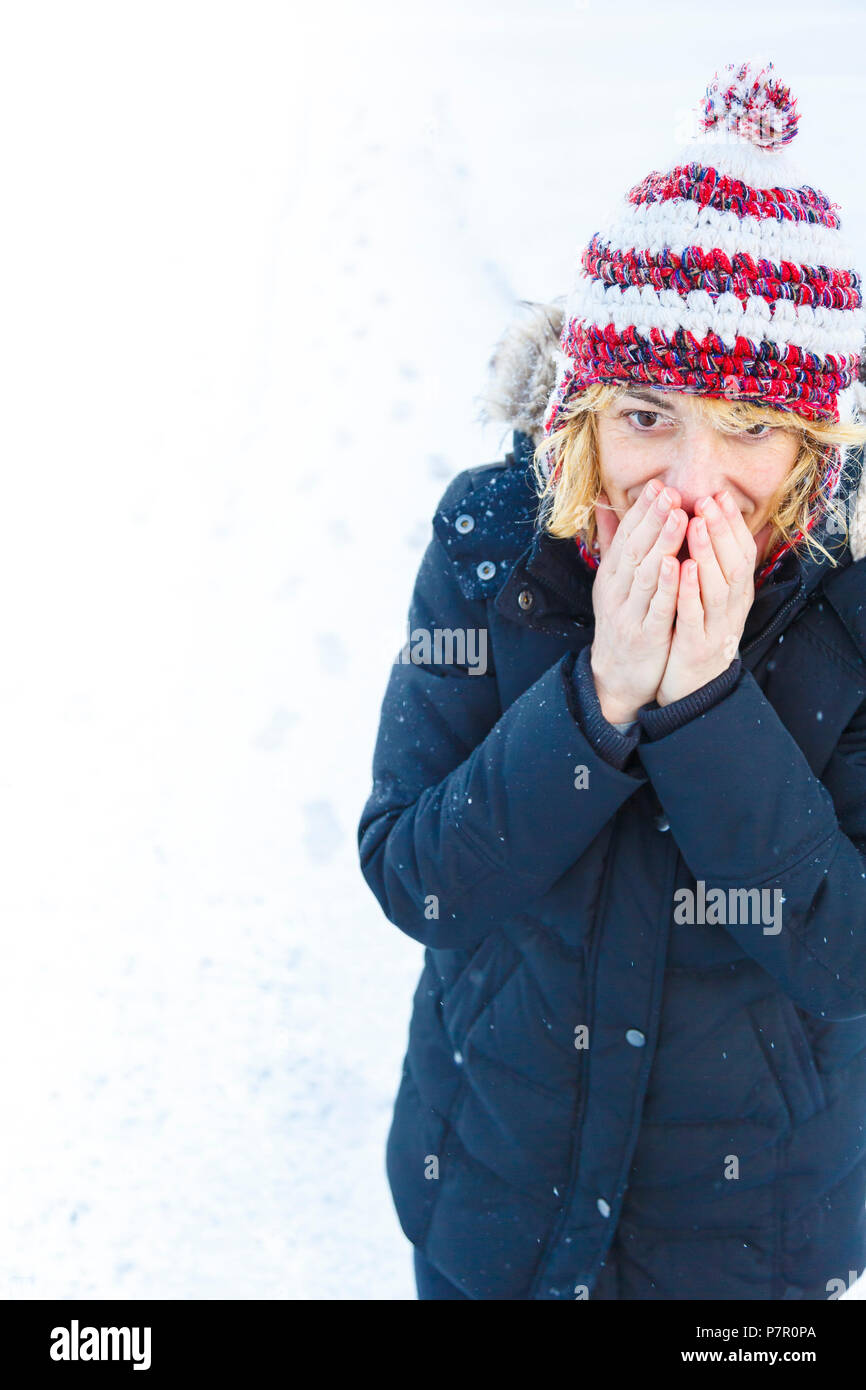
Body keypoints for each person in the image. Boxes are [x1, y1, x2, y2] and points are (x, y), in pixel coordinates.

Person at [358, 58, 866, 1300]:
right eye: (645, 414)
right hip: (491, 1196)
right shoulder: (491, 546)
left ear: (809, 445)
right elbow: (414, 871)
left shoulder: (851, 598)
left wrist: (701, 712)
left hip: (748, 1250)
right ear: (576, 414)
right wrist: (593, 708)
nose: (689, 480)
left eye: (747, 427)